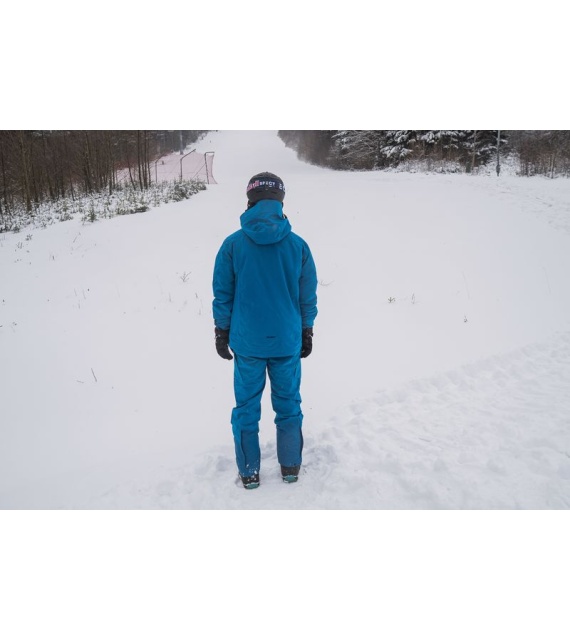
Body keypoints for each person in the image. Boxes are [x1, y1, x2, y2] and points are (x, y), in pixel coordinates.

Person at [212, 172, 318, 489]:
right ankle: (290, 467)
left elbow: (223, 294)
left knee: (246, 408)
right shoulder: (298, 246)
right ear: (280, 200)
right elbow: (307, 296)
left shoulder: (232, 245)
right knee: (288, 405)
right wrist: (307, 329)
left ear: (250, 200)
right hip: (286, 340)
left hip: (248, 343)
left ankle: (249, 472)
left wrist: (221, 331)